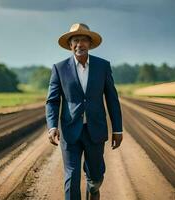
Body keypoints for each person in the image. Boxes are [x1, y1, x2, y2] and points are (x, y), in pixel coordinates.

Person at [45, 23, 123, 200]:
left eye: (83, 40)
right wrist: (52, 126)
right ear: (70, 45)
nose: (79, 44)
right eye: (75, 40)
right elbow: (52, 101)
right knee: (71, 177)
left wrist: (117, 129)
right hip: (70, 130)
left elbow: (112, 99)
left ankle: (93, 189)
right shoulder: (59, 68)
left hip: (95, 130)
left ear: (90, 44)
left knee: (95, 176)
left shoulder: (102, 66)